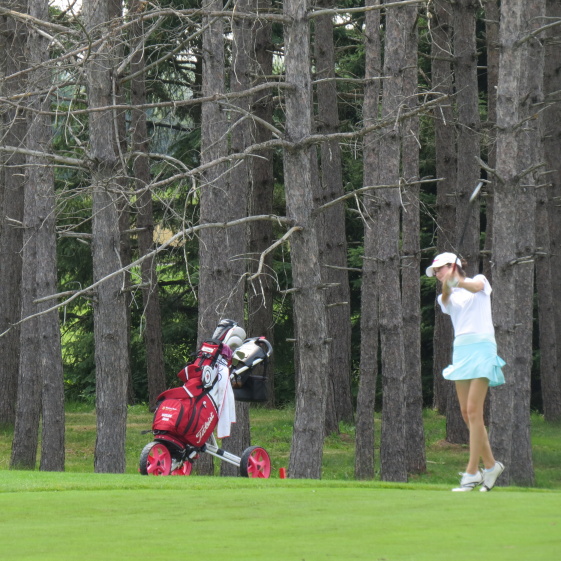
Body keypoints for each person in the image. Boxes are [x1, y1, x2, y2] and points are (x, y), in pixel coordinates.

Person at [427, 252, 506, 492]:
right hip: (461, 350)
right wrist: (449, 283)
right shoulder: (445, 297)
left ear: (452, 266)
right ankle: (491, 466)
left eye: (440, 269)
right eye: (435, 272)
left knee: (474, 410)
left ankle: (472, 472)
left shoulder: (480, 280)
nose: (437, 274)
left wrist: (458, 280)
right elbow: (446, 296)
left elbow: (474, 287)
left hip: (482, 346)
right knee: (465, 412)